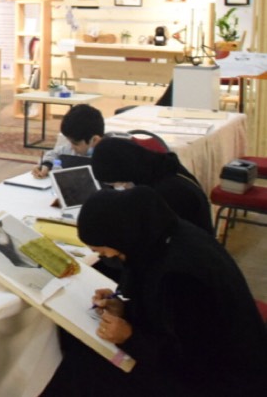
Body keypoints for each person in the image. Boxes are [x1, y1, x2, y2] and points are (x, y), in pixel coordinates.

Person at [41, 187, 267, 396]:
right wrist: (125, 306)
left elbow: (192, 360)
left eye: (105, 251)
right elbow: (165, 311)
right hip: (212, 361)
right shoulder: (163, 234)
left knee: (85, 368)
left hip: (221, 381)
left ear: (121, 237)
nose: (107, 257)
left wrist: (130, 337)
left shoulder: (182, 276)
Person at [90, 136, 212, 233]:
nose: (120, 188)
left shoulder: (167, 191)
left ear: (125, 172)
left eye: (118, 183)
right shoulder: (161, 167)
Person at [31, 104, 104, 178]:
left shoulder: (107, 157)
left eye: (75, 143)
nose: (71, 146)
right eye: (70, 142)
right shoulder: (69, 150)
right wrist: (47, 165)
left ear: (95, 140)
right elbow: (53, 154)